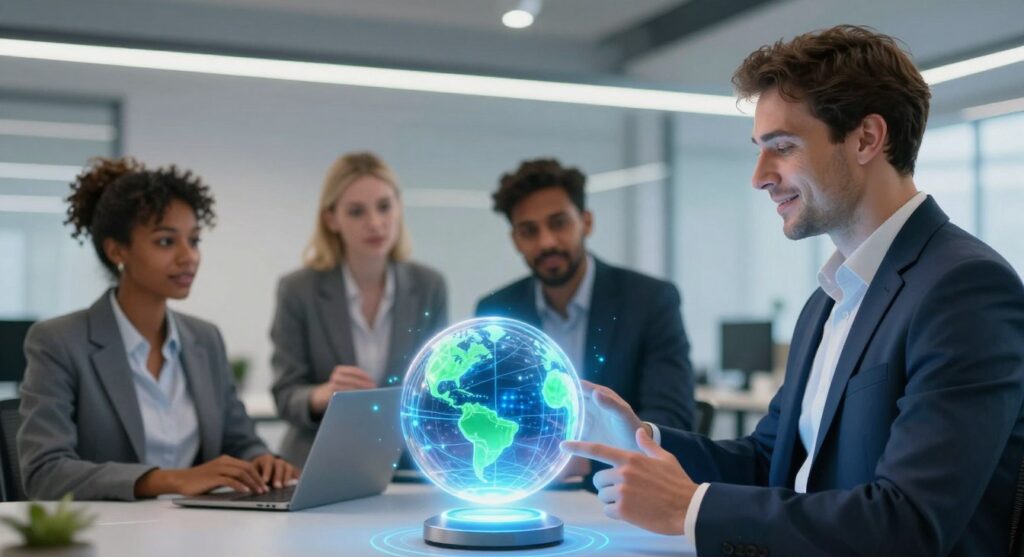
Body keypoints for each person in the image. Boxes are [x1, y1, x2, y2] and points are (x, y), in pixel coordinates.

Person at [562, 25, 1024, 557]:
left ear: (865, 139)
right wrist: (642, 441)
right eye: (760, 151)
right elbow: (772, 460)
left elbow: (909, 524)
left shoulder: (964, 288)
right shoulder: (828, 299)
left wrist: (691, 509)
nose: (760, 178)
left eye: (781, 148)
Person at [18, 157, 299, 501]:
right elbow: (44, 473)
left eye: (194, 241)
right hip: (110, 539)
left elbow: (240, 440)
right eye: (166, 242)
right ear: (117, 250)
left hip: (203, 535)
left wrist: (263, 461)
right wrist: (169, 480)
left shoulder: (205, 339)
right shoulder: (59, 342)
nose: (188, 257)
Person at [476, 158, 696, 480]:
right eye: (529, 231)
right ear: (516, 240)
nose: (547, 242)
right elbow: (486, 415)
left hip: (621, 485)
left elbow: (671, 420)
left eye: (559, 223)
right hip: (525, 486)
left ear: (586, 222)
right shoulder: (497, 312)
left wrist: (586, 462)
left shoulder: (649, 301)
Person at [270, 152, 448, 466]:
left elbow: (438, 384)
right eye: (356, 212)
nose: (375, 223)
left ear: (399, 207)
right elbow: (285, 395)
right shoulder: (298, 290)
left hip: (407, 461)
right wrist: (323, 394)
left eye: (384, 207)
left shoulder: (429, 286)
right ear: (331, 219)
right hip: (320, 461)